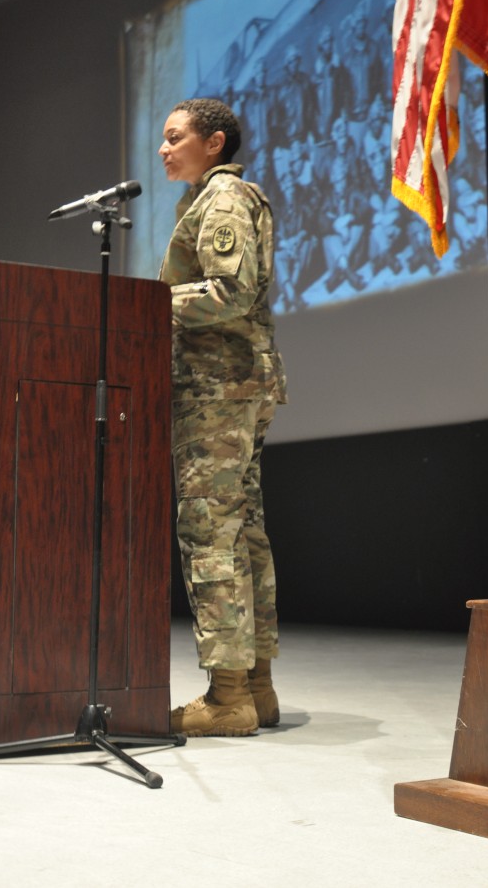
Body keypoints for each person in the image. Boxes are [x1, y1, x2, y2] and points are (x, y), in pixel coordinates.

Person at [158, 98, 287, 737]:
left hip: (218, 388)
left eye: (174, 137)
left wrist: (149, 304)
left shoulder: (224, 201)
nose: (163, 148)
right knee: (244, 531)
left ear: (213, 143)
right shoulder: (210, 202)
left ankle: (227, 695)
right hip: (234, 385)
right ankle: (256, 689)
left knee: (210, 530)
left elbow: (230, 293)